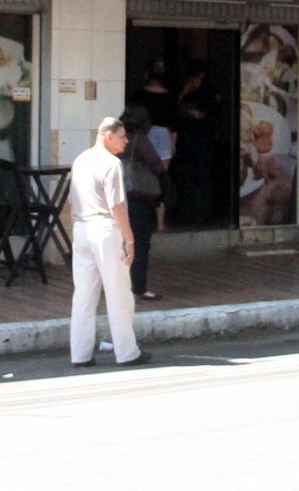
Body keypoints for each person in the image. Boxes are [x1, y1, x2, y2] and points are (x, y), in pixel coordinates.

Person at [67, 117, 154, 368]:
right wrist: (129, 239)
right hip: (105, 229)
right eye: (122, 136)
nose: (126, 141)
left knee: (83, 295)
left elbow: (72, 202)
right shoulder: (112, 163)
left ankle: (80, 354)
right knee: (118, 293)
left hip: (82, 228)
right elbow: (116, 206)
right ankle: (127, 352)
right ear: (108, 136)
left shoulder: (81, 159)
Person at [119, 103, 169, 299]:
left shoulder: (116, 137)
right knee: (139, 243)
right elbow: (155, 163)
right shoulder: (139, 138)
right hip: (137, 196)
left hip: (116, 196)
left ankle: (118, 286)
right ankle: (138, 288)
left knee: (119, 242)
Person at [172, 59, 218, 224]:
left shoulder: (209, 92)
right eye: (193, 77)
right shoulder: (182, 90)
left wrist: (197, 114)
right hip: (184, 141)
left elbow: (213, 115)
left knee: (203, 177)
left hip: (203, 141)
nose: (195, 80)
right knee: (185, 178)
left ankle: (203, 213)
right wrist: (183, 93)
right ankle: (185, 212)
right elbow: (171, 110)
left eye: (199, 77)